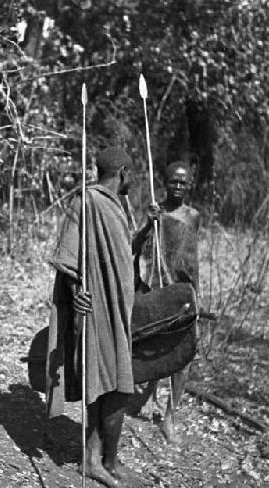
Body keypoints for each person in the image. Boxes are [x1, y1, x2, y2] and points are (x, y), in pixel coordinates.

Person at [46, 146, 135, 487]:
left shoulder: (118, 205)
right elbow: (68, 256)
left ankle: (103, 459)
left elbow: (122, 256)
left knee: (115, 385)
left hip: (120, 308)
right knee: (104, 384)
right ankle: (92, 460)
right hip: (97, 306)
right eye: (132, 174)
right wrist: (75, 293)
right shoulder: (85, 201)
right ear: (123, 172)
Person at [130, 160, 200, 443]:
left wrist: (197, 296)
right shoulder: (154, 212)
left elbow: (193, 261)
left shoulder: (193, 216)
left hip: (182, 292)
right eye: (173, 181)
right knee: (155, 348)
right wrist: (148, 224)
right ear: (164, 182)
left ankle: (170, 417)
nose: (178, 187)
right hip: (155, 291)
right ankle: (148, 393)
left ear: (189, 185)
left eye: (183, 182)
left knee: (183, 356)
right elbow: (133, 248)